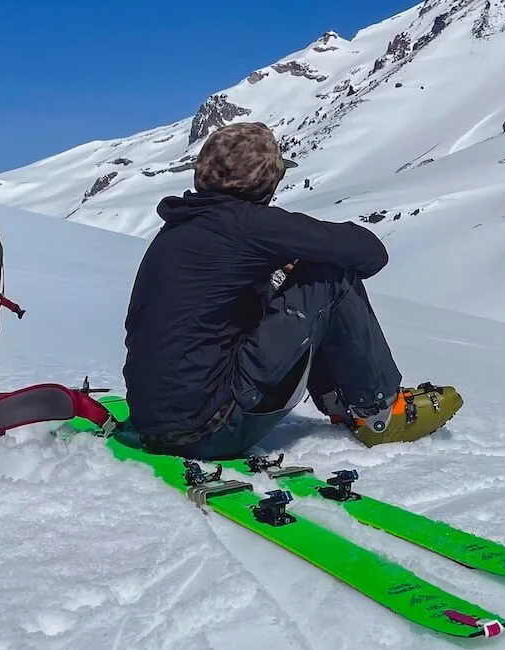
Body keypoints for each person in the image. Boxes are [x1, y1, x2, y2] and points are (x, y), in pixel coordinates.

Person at [121, 121, 461, 459]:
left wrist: (274, 272)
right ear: (264, 183)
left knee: (289, 283)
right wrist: (298, 262)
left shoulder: (179, 228)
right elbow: (370, 252)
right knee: (330, 273)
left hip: (155, 422)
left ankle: (342, 403)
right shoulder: (252, 224)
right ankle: (379, 412)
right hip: (215, 428)